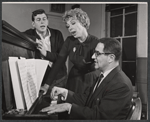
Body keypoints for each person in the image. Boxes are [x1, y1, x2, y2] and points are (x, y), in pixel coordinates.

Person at [41, 38, 133, 120]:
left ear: (111, 58)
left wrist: (69, 107)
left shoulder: (120, 85)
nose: (93, 57)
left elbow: (100, 116)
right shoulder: (102, 76)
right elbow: (88, 99)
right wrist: (65, 92)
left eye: (97, 53)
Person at [41, 8, 99, 94]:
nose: (70, 28)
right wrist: (46, 85)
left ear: (83, 22)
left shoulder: (95, 41)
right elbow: (58, 63)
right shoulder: (69, 41)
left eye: (73, 23)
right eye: (68, 26)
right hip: (73, 80)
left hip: (89, 81)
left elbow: (99, 67)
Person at [23, 9, 67, 88]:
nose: (42, 22)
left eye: (44, 19)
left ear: (47, 21)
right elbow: (16, 35)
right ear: (33, 24)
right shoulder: (29, 34)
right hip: (41, 78)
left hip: (59, 78)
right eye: (38, 20)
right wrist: (32, 39)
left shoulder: (57, 34)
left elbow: (62, 58)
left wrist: (45, 53)